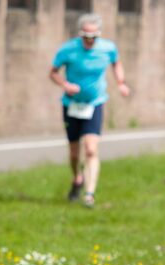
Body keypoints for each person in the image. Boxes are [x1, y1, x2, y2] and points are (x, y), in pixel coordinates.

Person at [49, 13, 130, 207]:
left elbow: (116, 62)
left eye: (93, 36)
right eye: (86, 36)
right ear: (80, 34)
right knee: (75, 153)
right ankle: (77, 177)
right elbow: (52, 73)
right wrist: (65, 84)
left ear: (99, 35)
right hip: (72, 104)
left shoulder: (108, 48)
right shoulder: (68, 49)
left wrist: (120, 82)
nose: (89, 40)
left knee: (91, 149)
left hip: (95, 103)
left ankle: (89, 194)